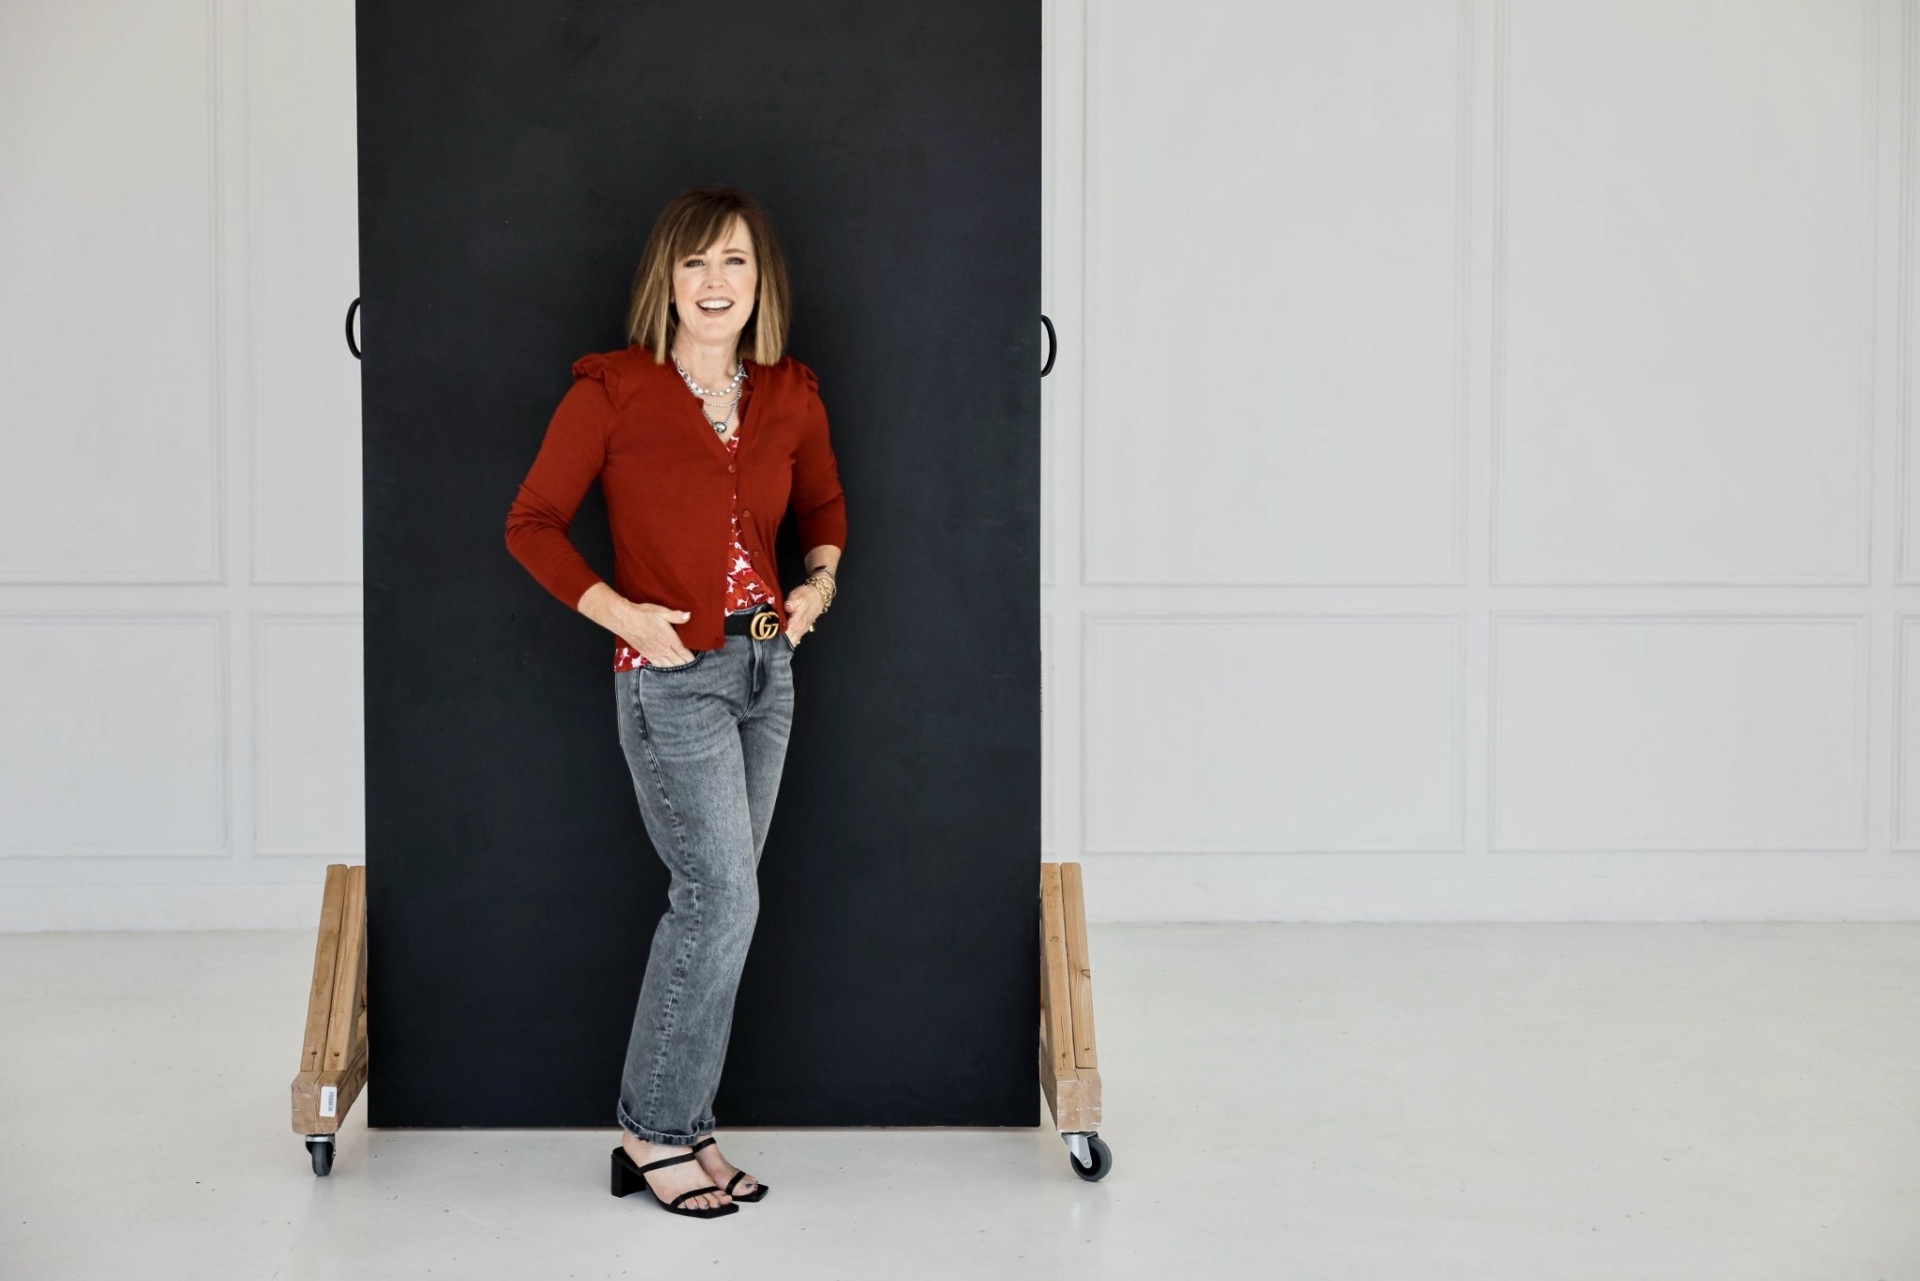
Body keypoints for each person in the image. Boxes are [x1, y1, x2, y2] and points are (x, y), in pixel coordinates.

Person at [504, 185, 846, 1219]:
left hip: (765, 674)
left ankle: (686, 1127)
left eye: (734, 262)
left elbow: (824, 505)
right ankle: (650, 1130)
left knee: (727, 906)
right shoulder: (611, 392)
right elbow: (532, 523)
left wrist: (818, 584)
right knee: (718, 898)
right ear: (666, 279)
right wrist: (619, 613)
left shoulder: (790, 392)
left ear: (761, 282)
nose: (714, 283)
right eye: (695, 263)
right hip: (671, 679)